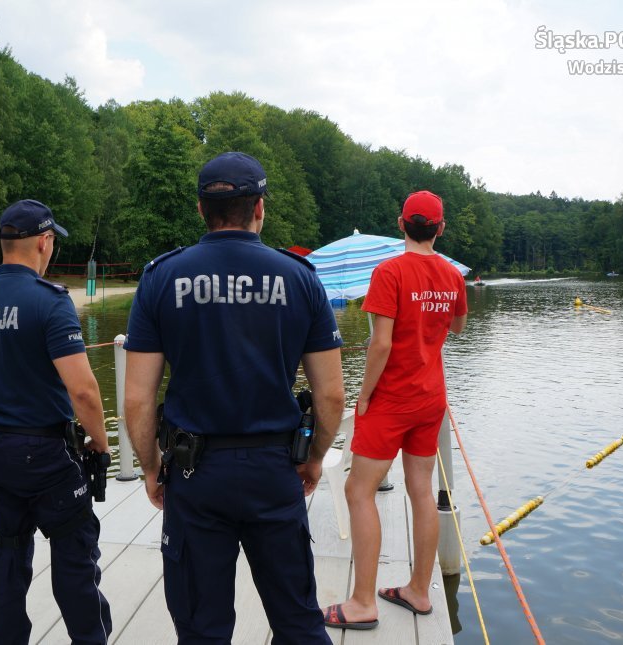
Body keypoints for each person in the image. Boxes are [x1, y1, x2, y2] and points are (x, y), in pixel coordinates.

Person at [124, 151, 345, 644]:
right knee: (298, 623)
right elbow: (331, 395)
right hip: (273, 472)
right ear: (259, 208)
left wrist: (150, 467)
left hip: (193, 474)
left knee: (203, 630)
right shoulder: (300, 278)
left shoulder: (162, 277)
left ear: (201, 210)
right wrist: (313, 460)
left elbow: (137, 402)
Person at [0, 198, 112, 643]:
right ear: (44, 242)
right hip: (46, 455)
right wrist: (100, 444)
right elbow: (83, 391)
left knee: (7, 557)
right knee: (74, 557)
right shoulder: (50, 303)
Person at [323, 190, 467, 629]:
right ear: (440, 229)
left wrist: (364, 395)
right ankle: (418, 591)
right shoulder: (452, 276)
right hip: (430, 399)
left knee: (358, 491)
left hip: (391, 399)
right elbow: (457, 326)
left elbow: (381, 344)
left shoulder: (389, 272)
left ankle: (363, 602)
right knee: (421, 490)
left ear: (402, 224)